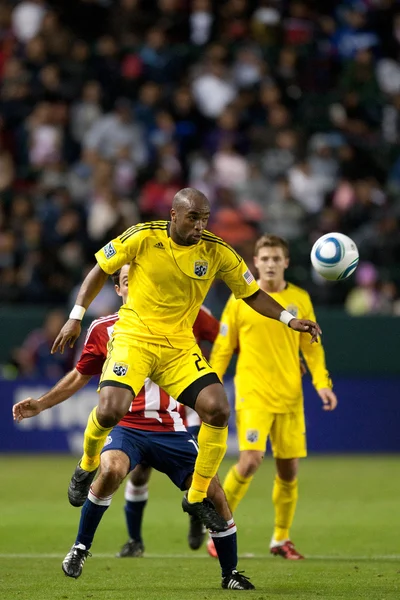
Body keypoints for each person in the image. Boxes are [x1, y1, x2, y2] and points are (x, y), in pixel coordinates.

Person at [51, 187, 321, 533]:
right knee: (109, 411)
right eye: (194, 217)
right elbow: (100, 269)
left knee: (218, 409)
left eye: (205, 218)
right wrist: (76, 316)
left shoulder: (218, 250)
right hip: (135, 338)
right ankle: (87, 462)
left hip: (179, 346)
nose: (200, 225)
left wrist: (289, 319)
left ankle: (195, 496)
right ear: (174, 215)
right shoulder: (144, 236)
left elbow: (252, 294)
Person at [13, 264, 255, 591]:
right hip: (128, 426)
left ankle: (230, 574)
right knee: (112, 470)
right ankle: (81, 547)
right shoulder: (104, 328)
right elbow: (79, 375)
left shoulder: (183, 317)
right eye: (127, 281)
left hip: (171, 426)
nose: (136, 285)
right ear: (119, 290)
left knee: (214, 493)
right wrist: (41, 403)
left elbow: (224, 338)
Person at [209, 234, 337, 560]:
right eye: (264, 258)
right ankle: (218, 524)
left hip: (290, 395)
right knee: (251, 460)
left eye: (275, 258)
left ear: (286, 262)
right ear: (255, 262)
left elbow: (312, 346)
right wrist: (208, 384)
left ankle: (280, 538)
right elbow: (223, 347)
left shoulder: (300, 298)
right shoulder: (241, 299)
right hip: (253, 393)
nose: (269, 264)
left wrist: (322, 383)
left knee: (289, 471)